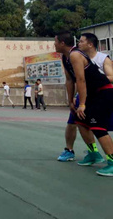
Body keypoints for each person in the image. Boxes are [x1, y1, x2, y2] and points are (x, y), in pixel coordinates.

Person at [55, 31, 113, 176]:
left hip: (103, 91)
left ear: (62, 43)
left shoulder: (75, 55)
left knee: (97, 126)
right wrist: (70, 101)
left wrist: (82, 104)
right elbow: (70, 80)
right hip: (91, 93)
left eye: (55, 42)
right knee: (80, 121)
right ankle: (94, 154)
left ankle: (112, 161)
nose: (53, 44)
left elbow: (81, 80)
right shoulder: (65, 57)